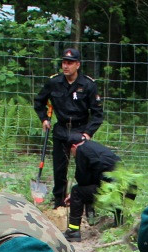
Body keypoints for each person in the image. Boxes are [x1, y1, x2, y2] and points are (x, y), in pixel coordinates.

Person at [33, 48, 104, 208]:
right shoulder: (54, 82)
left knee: (84, 171)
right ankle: (59, 202)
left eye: (70, 63)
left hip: (80, 130)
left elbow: (98, 113)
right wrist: (44, 118)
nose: (66, 66)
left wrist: (88, 133)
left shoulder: (88, 85)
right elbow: (39, 101)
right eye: (64, 62)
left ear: (78, 65)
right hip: (61, 129)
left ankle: (86, 204)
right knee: (59, 169)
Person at [66, 136, 121, 243]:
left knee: (76, 191)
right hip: (126, 189)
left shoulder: (81, 150)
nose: (72, 155)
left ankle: (73, 231)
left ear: (73, 146)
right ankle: (118, 221)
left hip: (111, 190)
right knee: (91, 188)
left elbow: (82, 179)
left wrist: (72, 197)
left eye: (71, 152)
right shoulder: (94, 147)